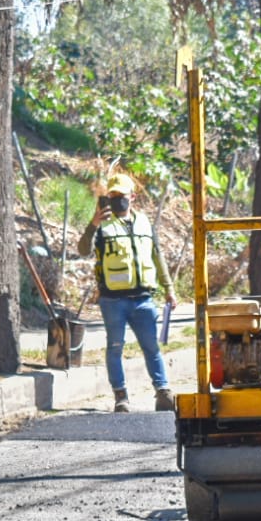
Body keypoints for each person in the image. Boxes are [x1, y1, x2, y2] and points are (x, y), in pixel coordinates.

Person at [77, 172, 176, 412]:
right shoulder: (102, 225)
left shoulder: (144, 222)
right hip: (113, 300)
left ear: (132, 196)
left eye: (121, 195)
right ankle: (121, 397)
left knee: (152, 346)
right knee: (115, 347)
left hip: (143, 299)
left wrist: (169, 288)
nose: (116, 199)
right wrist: (93, 225)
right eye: (112, 195)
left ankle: (163, 392)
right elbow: (83, 250)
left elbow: (157, 255)